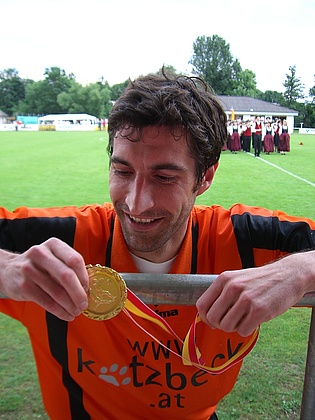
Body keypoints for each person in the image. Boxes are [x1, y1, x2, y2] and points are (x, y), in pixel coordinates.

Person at [0, 73, 315, 420]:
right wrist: (8, 269)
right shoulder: (58, 240)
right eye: (122, 171)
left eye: (165, 177)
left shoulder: (244, 239)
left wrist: (301, 269)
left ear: (206, 176)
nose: (136, 203)